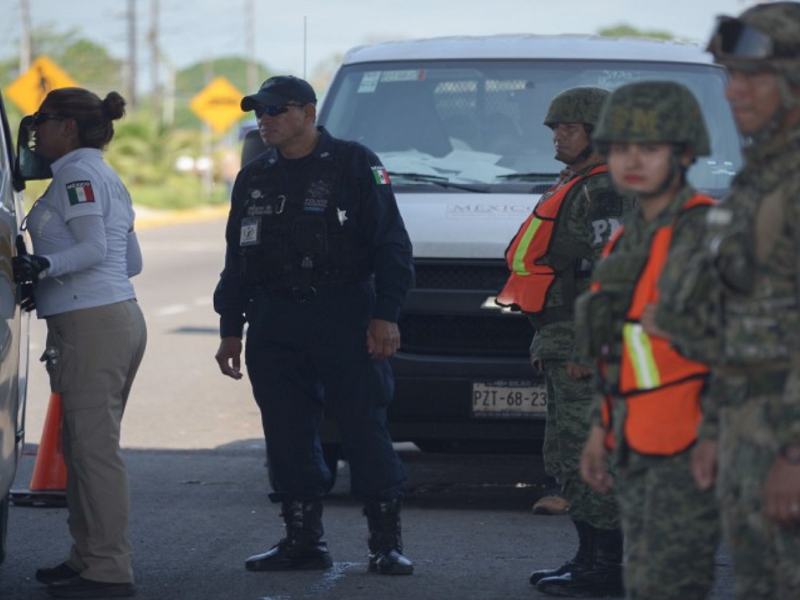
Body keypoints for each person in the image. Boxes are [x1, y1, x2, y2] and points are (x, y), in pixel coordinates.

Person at [213, 75, 415, 576]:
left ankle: (385, 543)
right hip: (275, 317)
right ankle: (302, 539)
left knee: (362, 424)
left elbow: (391, 244)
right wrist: (229, 327)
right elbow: (238, 256)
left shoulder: (354, 162)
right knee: (285, 430)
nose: (266, 120)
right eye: (260, 112)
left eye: (276, 110)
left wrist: (385, 313)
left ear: (308, 111)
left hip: (344, 311)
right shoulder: (255, 175)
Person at [671, 3, 800, 598]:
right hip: (750, 424)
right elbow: (741, 312)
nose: (734, 93)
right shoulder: (761, 174)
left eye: (754, 76)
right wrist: (719, 427)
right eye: (730, 76)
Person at [576, 81, 721, 600]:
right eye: (618, 148)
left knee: (672, 583)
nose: (630, 160)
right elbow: (620, 351)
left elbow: (757, 351)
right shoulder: (627, 237)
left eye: (650, 148)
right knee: (644, 580)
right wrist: (601, 433)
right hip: (639, 442)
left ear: (684, 153)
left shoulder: (709, 232)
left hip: (693, 445)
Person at [496, 86, 632, 597]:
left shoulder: (607, 191)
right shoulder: (578, 183)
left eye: (567, 128)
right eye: (555, 128)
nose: (557, 136)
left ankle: (608, 569)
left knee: (588, 455)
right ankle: (588, 558)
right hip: (561, 338)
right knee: (565, 454)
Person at [12, 88, 147, 598]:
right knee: (84, 447)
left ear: (68, 127)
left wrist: (43, 265)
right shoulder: (104, 174)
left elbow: (92, 248)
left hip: (93, 323)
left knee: (94, 453)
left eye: (44, 121)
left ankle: (109, 570)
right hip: (115, 316)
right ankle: (86, 557)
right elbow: (128, 261)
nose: (36, 130)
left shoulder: (75, 173)